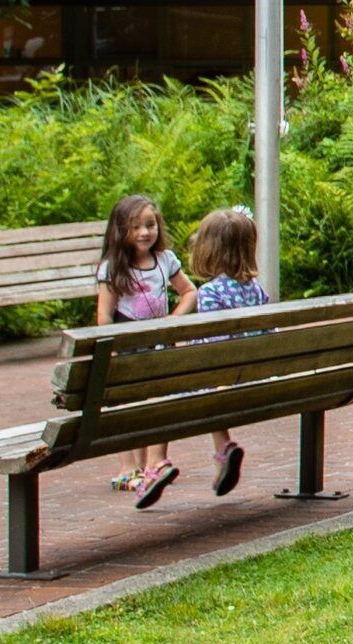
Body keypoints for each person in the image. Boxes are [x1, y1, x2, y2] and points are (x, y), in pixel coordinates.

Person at [94, 195, 192, 506]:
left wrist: (172, 321)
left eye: (150, 225)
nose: (144, 232)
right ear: (120, 230)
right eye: (135, 227)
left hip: (158, 342)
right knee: (127, 403)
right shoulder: (112, 268)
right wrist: (108, 347)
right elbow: (104, 314)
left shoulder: (165, 260)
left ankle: (154, 463)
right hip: (127, 344)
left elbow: (189, 291)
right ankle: (129, 467)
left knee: (158, 399)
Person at [176, 206, 269, 499]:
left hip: (227, 380)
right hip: (256, 377)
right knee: (208, 386)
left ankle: (156, 464)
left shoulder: (211, 293)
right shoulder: (256, 290)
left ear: (209, 250)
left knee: (173, 389)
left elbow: (214, 348)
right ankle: (222, 448)